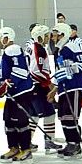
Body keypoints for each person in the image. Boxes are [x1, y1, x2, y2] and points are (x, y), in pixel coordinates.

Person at [0, 27, 36, 164]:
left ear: (6, 38)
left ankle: (26, 151)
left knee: (20, 122)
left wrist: (3, 88)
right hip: (13, 93)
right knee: (9, 121)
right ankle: (14, 148)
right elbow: (7, 73)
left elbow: (20, 71)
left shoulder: (13, 49)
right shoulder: (8, 51)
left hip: (21, 92)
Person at [50, 22, 82, 159]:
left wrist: (69, 69)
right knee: (64, 116)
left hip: (75, 87)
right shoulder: (58, 51)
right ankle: (70, 142)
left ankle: (75, 145)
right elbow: (60, 72)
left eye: (55, 34)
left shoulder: (71, 47)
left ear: (62, 34)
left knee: (71, 117)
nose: (53, 37)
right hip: (63, 88)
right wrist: (54, 89)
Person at [25, 24, 62, 154]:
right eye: (46, 35)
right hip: (39, 86)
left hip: (34, 86)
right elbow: (36, 72)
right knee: (50, 113)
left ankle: (26, 143)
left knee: (34, 115)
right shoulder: (38, 49)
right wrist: (49, 84)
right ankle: (48, 142)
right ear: (40, 37)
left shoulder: (32, 47)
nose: (49, 38)